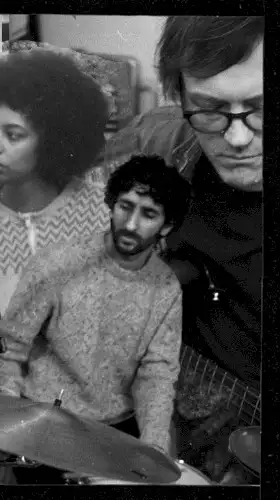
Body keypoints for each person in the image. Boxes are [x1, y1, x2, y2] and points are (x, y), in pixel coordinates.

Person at [0, 47, 110, 481]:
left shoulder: (102, 213)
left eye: (13, 135)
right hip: (15, 429)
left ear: (52, 140)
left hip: (101, 424)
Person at [0, 155, 192, 484]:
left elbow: (157, 375)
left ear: (167, 226)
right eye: (125, 207)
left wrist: (152, 450)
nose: (131, 224)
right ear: (111, 205)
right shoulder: (56, 263)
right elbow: (8, 347)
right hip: (44, 427)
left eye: (148, 214)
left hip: (115, 435)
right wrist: (12, 425)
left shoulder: (166, 288)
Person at [102, 16, 263, 391]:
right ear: (180, 97)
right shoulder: (156, 142)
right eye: (209, 110)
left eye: (263, 108)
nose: (237, 138)